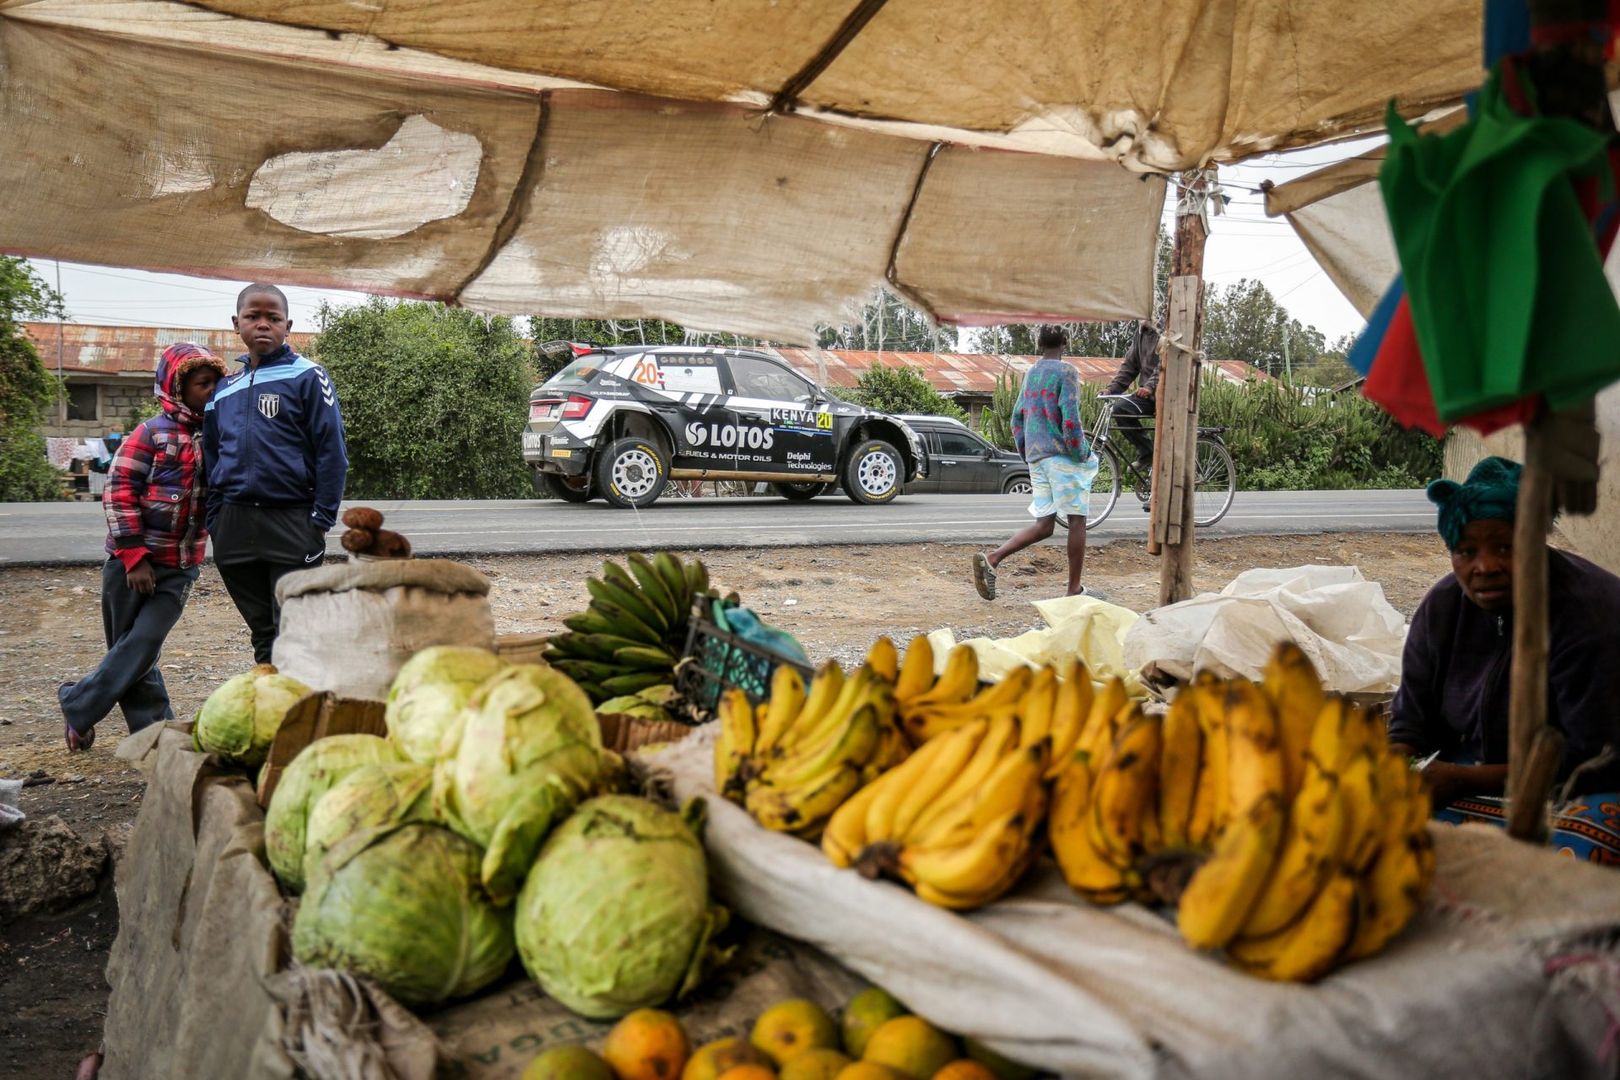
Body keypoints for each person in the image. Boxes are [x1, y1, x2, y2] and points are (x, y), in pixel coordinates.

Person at [1388, 456, 1620, 821]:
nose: (1485, 567)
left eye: (1505, 547)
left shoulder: (1592, 615)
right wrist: (1396, 763)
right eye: (1467, 551)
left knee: (1580, 848)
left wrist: (1468, 780)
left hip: (1581, 786)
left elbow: (1596, 758)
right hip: (1466, 768)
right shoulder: (1442, 608)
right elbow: (1410, 718)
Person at [58, 343, 227, 750]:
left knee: (142, 644)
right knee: (131, 652)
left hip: (180, 565)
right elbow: (117, 493)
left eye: (216, 384)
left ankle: (77, 704)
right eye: (203, 384)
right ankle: (155, 738)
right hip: (130, 564)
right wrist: (133, 557)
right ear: (177, 388)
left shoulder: (219, 436)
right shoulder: (151, 434)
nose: (211, 392)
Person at [205, 283, 348, 663]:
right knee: (264, 631)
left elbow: (332, 451)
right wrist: (215, 520)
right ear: (237, 324)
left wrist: (320, 519)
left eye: (274, 318)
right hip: (234, 526)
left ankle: (300, 711)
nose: (263, 325)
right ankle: (270, 705)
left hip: (292, 522)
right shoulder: (223, 390)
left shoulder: (308, 376)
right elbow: (212, 455)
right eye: (254, 317)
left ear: (289, 326)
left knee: (294, 628)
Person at [972, 326, 1100, 600]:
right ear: (1066, 342)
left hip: (1036, 457)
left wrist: (1026, 450)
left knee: (1045, 525)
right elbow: (1070, 420)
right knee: (1077, 520)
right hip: (1061, 457)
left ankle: (993, 558)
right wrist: (1083, 453)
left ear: (1039, 343)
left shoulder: (1031, 373)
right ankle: (1073, 590)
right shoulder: (1066, 372)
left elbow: (1016, 418)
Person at [1103, 321, 1162, 471]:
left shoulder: (1165, 332)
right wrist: (1111, 390)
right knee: (1120, 409)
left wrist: (1150, 386)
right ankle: (1147, 452)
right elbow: (1130, 366)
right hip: (1149, 396)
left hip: (1169, 394)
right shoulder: (1141, 333)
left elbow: (1166, 365)